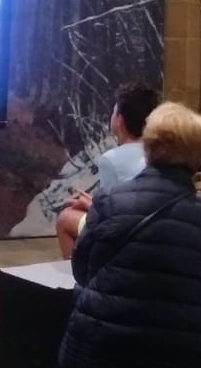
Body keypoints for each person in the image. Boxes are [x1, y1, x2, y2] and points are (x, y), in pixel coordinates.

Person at [57, 102, 201, 368]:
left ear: (148, 148)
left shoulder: (108, 201)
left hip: (102, 353)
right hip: (191, 364)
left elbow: (81, 271)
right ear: (198, 159)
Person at [56, 82, 160, 258]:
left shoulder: (110, 160)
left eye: (113, 112)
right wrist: (92, 201)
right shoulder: (160, 153)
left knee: (65, 218)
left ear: (119, 120)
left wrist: (91, 205)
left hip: (128, 233)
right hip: (156, 228)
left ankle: (77, 278)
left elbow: (108, 214)